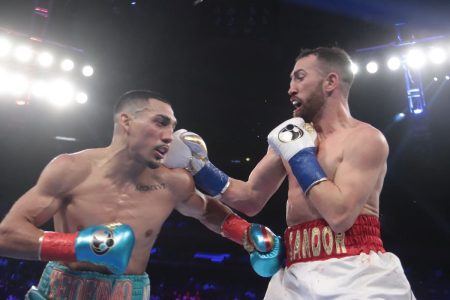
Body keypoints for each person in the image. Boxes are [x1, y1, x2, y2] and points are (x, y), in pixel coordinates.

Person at [163, 47, 416, 299]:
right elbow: (249, 198)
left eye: (300, 77)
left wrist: (301, 156)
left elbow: (340, 215)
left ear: (330, 82)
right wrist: (198, 166)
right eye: (291, 79)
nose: (291, 88)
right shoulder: (291, 137)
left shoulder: (365, 139)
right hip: (294, 274)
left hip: (355, 269)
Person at [0, 90, 282, 299]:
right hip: (62, 290)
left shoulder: (174, 183)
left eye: (172, 126)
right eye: (160, 123)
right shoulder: (71, 169)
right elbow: (6, 235)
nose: (170, 136)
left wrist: (248, 234)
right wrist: (79, 246)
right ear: (126, 122)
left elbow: (208, 210)